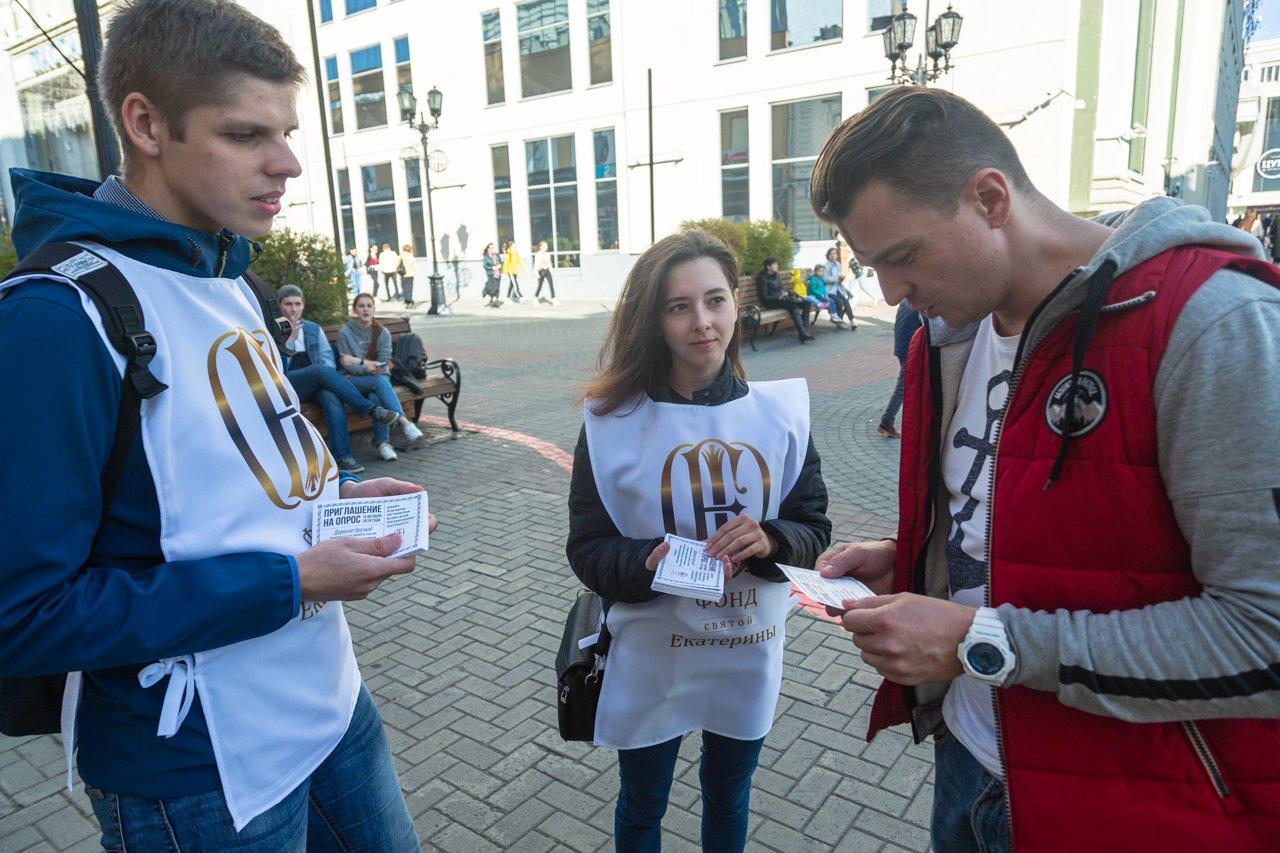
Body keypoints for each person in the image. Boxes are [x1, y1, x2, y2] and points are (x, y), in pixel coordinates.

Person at [0, 1, 433, 849]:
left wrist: (334, 496)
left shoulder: (235, 275)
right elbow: (25, 614)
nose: (289, 163)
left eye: (287, 132)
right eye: (245, 134)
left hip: (330, 702)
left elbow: (232, 479)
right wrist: (290, 582)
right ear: (145, 125)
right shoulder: (54, 318)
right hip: (195, 769)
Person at [808, 87, 1280, 850]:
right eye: (872, 266)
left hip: (1131, 804)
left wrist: (981, 640)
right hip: (967, 760)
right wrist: (922, 561)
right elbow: (1041, 534)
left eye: (901, 257)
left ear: (990, 199)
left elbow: (1264, 632)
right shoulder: (947, 338)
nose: (892, 294)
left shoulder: (1211, 319)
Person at [568, 230, 831, 851]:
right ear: (653, 319)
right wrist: (646, 560)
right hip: (655, 654)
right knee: (642, 805)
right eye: (678, 307)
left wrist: (771, 540)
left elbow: (814, 529)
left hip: (745, 648)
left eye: (715, 300)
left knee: (729, 797)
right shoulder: (612, 424)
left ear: (736, 303)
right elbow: (587, 548)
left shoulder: (781, 415)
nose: (702, 323)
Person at [276, 285, 401, 472]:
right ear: (279, 306)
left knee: (331, 397)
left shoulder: (312, 329)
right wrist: (290, 341)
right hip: (289, 383)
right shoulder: (273, 330)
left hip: (317, 381)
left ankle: (342, 457)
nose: (293, 309)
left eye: (297, 304)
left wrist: (326, 379)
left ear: (303, 305)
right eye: (288, 304)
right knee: (319, 370)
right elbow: (276, 367)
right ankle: (372, 409)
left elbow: (327, 358)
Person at [337, 293, 425, 462]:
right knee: (379, 383)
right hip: (352, 380)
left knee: (376, 394)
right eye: (361, 306)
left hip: (378, 377)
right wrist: (367, 367)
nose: (365, 309)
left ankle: (383, 443)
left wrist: (360, 363)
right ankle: (404, 423)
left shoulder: (382, 333)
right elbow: (347, 365)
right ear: (355, 309)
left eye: (369, 306)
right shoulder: (345, 333)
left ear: (374, 309)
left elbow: (384, 363)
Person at [876, 300, 922, 438]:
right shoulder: (919, 303)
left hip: (902, 347)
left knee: (908, 385)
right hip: (910, 349)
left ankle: (889, 422)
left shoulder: (905, 301)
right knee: (903, 387)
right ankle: (886, 422)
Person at [755, 258, 814, 342]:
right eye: (775, 264)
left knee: (807, 303)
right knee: (793, 305)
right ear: (768, 267)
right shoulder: (762, 278)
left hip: (782, 299)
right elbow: (764, 297)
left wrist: (785, 293)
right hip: (770, 302)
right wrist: (778, 297)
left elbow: (780, 289)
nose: (777, 266)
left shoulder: (776, 275)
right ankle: (802, 333)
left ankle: (804, 330)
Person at [822, 246, 857, 330]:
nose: (833, 256)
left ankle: (852, 321)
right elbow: (825, 279)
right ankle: (839, 323)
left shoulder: (838, 264)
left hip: (837, 288)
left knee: (846, 301)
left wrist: (841, 278)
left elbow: (839, 276)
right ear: (828, 256)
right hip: (829, 290)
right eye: (831, 254)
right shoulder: (825, 265)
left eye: (835, 254)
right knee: (840, 303)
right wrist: (837, 279)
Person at [806, 263, 847, 328]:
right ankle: (833, 316)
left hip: (821, 295)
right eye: (819, 271)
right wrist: (822, 295)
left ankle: (834, 316)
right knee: (829, 301)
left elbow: (823, 288)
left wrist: (825, 294)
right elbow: (813, 290)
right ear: (815, 271)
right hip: (815, 295)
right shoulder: (813, 280)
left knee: (831, 301)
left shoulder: (820, 279)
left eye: (822, 271)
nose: (821, 273)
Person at [534, 239, 557, 304]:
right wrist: (536, 273)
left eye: (547, 246)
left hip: (547, 270)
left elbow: (549, 263)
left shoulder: (547, 254)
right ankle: (535, 298)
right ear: (541, 247)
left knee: (551, 285)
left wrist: (551, 270)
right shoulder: (538, 254)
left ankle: (554, 299)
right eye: (544, 246)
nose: (546, 247)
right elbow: (536, 264)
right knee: (540, 286)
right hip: (541, 271)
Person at [481, 241, 503, 307]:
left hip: (498, 273)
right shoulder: (486, 257)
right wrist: (492, 268)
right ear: (488, 249)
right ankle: (486, 292)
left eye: (493, 248)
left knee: (497, 288)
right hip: (491, 273)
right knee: (493, 287)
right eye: (491, 248)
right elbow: (485, 266)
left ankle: (494, 302)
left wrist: (500, 266)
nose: (492, 249)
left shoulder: (496, 255)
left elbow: (500, 262)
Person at [399, 244, 416, 308]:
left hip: (403, 274)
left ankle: (408, 301)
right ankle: (409, 300)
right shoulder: (411, 256)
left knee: (404, 288)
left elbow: (397, 264)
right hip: (411, 274)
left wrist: (396, 271)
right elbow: (415, 266)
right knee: (410, 288)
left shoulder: (401, 256)